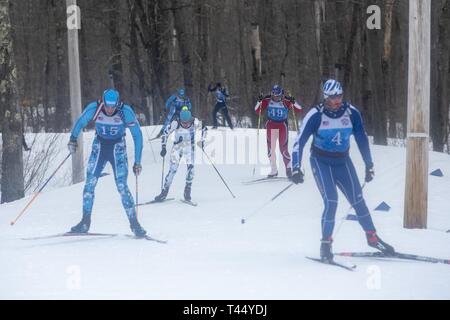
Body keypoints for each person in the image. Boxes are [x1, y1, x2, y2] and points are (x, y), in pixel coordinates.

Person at [291, 79, 395, 262]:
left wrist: (369, 164)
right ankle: (325, 244)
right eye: (333, 97)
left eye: (339, 96)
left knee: (358, 200)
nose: (337, 100)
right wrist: (296, 168)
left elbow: (361, 138)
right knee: (332, 201)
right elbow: (299, 141)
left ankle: (372, 237)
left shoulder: (351, 112)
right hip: (321, 161)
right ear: (326, 97)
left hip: (343, 162)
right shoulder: (316, 115)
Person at [67, 89, 146, 237]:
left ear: (118, 103)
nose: (110, 110)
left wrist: (138, 161)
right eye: (107, 106)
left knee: (122, 186)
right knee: (89, 183)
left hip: (118, 149)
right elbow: (80, 122)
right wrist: (72, 139)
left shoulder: (125, 111)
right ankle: (85, 222)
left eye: (113, 106)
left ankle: (135, 225)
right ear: (102, 101)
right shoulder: (94, 108)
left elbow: (137, 136)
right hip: (100, 148)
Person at [154, 107, 206, 203]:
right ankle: (164, 193)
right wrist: (163, 147)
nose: (186, 124)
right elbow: (165, 133)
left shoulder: (194, 121)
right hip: (177, 147)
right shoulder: (176, 122)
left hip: (189, 147)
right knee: (172, 171)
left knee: (191, 169)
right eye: (183, 122)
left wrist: (202, 141)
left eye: (187, 122)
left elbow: (204, 129)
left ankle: (187, 192)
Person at [255, 85, 302, 178]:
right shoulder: (267, 100)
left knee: (283, 148)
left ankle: (288, 168)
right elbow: (257, 111)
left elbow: (299, 109)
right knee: (271, 149)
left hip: (282, 126)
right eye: (274, 95)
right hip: (271, 125)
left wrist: (294, 101)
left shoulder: (286, 101)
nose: (276, 98)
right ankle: (274, 170)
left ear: (281, 95)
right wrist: (259, 101)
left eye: (278, 96)